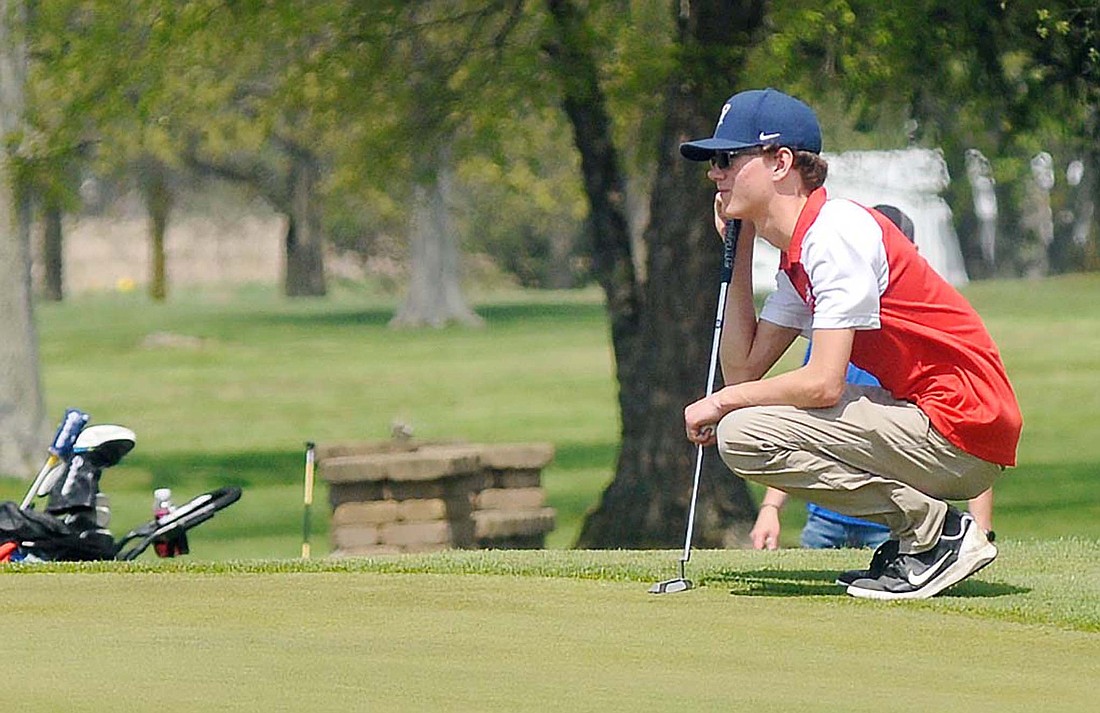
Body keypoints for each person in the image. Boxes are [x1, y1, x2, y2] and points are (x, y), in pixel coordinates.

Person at [679, 88, 1022, 600]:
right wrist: (741, 246)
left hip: (962, 430)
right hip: (937, 422)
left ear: (781, 163)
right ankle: (925, 538)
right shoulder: (802, 252)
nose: (715, 172)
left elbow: (821, 383)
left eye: (728, 158)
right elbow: (743, 373)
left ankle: (936, 535)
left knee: (741, 432)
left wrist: (720, 403)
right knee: (742, 425)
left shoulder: (834, 234)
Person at [746, 205, 995, 551]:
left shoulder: (912, 337)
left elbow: (954, 425)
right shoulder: (832, 328)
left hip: (889, 514)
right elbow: (801, 418)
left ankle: (940, 528)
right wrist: (771, 507)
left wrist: (980, 526)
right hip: (827, 517)